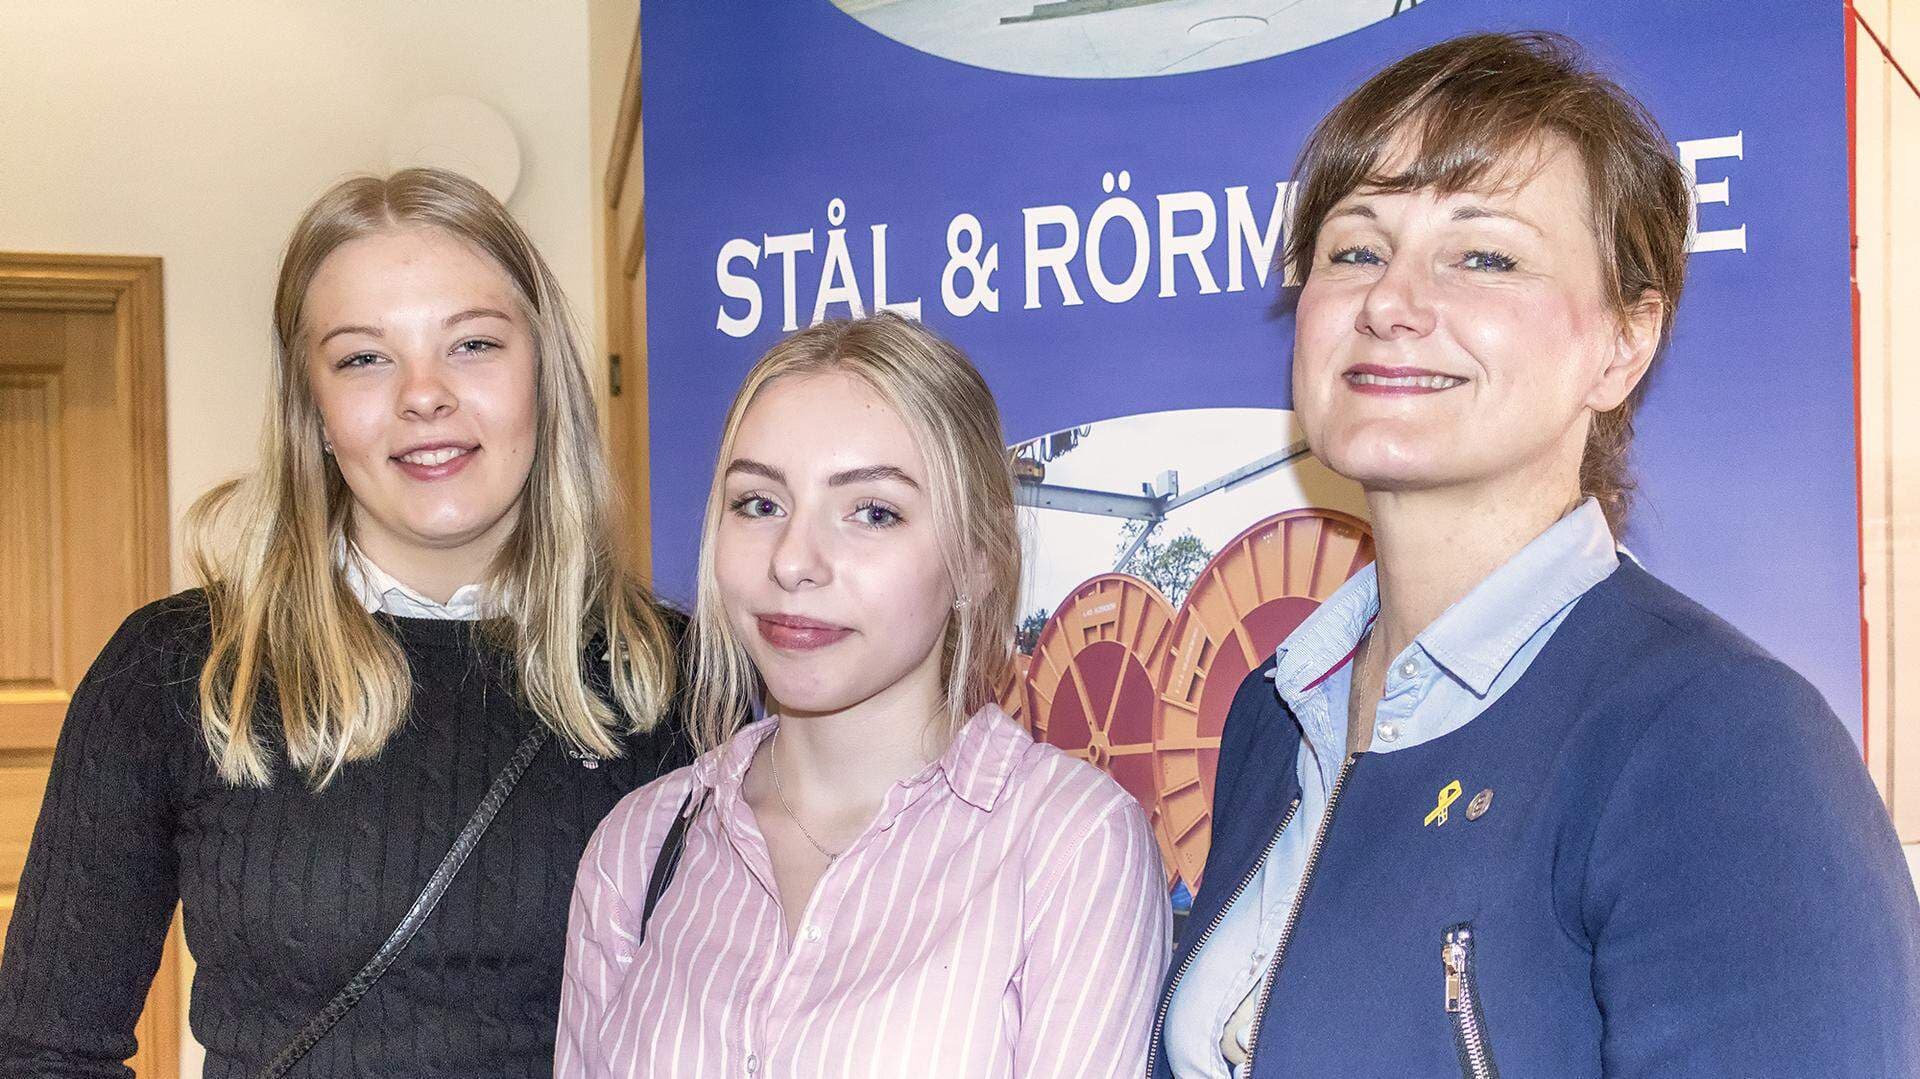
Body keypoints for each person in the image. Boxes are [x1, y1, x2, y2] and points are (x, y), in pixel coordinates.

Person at [1151, 31, 1920, 1079]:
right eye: (1355, 248)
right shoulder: (1272, 714)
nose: (1390, 301)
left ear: (1623, 341)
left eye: (1485, 256)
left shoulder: (1720, 740)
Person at [0, 168, 689, 1077]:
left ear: (544, 376)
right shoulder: (177, 671)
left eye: (474, 344)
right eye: (364, 357)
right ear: (314, 412)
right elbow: (45, 1051)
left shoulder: (670, 675)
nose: (424, 394)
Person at [556, 312, 1170, 1076]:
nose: (794, 560)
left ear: (976, 558)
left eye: (872, 511)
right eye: (759, 503)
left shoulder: (1069, 844)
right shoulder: (637, 849)